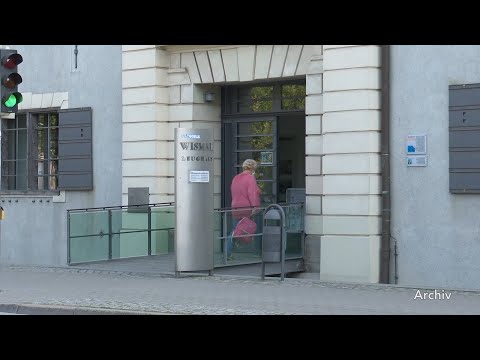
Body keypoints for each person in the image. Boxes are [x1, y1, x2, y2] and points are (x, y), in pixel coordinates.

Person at [226, 159, 261, 260]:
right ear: (253, 167)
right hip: (248, 208)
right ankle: (257, 252)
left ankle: (228, 252)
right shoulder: (250, 178)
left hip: (236, 207)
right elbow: (252, 193)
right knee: (256, 229)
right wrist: (255, 207)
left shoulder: (236, 178)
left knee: (235, 231)